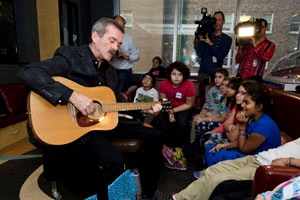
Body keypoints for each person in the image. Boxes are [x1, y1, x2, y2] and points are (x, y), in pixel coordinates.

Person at [17, 18, 165, 200]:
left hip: (102, 121)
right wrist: (73, 96)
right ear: (95, 36)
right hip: (74, 127)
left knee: (156, 136)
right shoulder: (70, 55)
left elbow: (114, 102)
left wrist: (144, 108)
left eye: (118, 44)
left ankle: (149, 192)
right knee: (113, 160)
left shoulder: (110, 71)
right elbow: (28, 73)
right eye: (112, 41)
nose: (116, 48)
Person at [152, 137, 300, 200]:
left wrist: (289, 160)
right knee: (213, 170)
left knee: (219, 179)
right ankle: (178, 197)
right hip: (257, 158)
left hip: (268, 168)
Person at [205, 80, 281, 166]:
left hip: (257, 160)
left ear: (259, 107)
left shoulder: (264, 125)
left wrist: (242, 126)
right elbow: (244, 140)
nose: (242, 105)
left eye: (247, 103)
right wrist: (227, 145)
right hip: (248, 152)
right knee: (213, 148)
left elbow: (244, 149)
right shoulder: (252, 118)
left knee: (214, 154)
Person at [154, 61, 196, 171]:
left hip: (183, 107)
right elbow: (164, 100)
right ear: (169, 75)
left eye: (180, 74)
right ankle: (168, 150)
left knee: (181, 124)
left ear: (184, 76)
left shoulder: (189, 86)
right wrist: (169, 112)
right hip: (168, 106)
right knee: (162, 122)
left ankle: (180, 151)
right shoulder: (164, 84)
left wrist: (173, 111)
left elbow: (189, 104)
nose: (176, 77)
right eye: (174, 74)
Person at [194, 11, 232, 82]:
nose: (217, 22)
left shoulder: (227, 39)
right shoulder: (206, 35)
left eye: (219, 20)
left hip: (217, 75)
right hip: (203, 73)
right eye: (215, 20)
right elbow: (199, 54)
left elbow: (221, 56)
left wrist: (210, 43)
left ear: (223, 21)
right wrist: (199, 38)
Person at [110, 15, 140, 93]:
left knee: (120, 95)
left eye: (122, 27)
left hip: (124, 72)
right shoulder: (107, 36)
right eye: (118, 26)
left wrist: (127, 57)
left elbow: (137, 56)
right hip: (110, 70)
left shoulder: (129, 39)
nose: (120, 29)